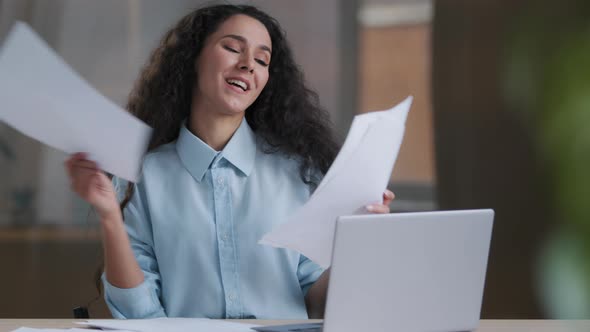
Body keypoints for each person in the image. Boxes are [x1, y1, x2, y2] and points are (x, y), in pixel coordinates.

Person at [64, 4, 394, 320]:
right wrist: (109, 217)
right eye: (233, 48)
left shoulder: (298, 172)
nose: (249, 64)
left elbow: (317, 302)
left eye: (263, 60)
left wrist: (359, 241)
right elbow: (138, 313)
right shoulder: (142, 176)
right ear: (192, 58)